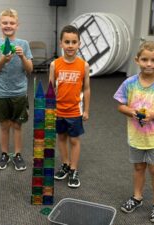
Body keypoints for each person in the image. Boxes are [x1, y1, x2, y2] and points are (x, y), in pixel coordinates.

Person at [113, 41, 154, 224]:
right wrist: (132, 112)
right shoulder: (129, 83)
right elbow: (120, 106)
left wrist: (153, 115)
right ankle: (137, 197)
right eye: (145, 59)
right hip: (136, 136)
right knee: (138, 167)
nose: (149, 64)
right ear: (137, 60)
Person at [0, 9, 33, 170]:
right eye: (5, 23)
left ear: (17, 25)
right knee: (4, 125)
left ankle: (18, 154)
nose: (8, 25)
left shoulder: (24, 44)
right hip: (1, 92)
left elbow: (29, 69)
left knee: (17, 125)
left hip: (19, 91)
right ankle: (5, 153)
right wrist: (3, 60)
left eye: (11, 23)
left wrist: (22, 57)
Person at [49, 25, 90, 188]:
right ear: (61, 43)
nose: (70, 45)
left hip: (75, 110)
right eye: (67, 42)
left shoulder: (83, 65)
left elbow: (86, 89)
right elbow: (50, 88)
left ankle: (73, 169)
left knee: (74, 140)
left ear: (79, 43)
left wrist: (86, 110)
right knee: (61, 138)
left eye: (74, 42)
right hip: (58, 110)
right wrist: (49, 109)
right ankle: (65, 164)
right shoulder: (54, 65)